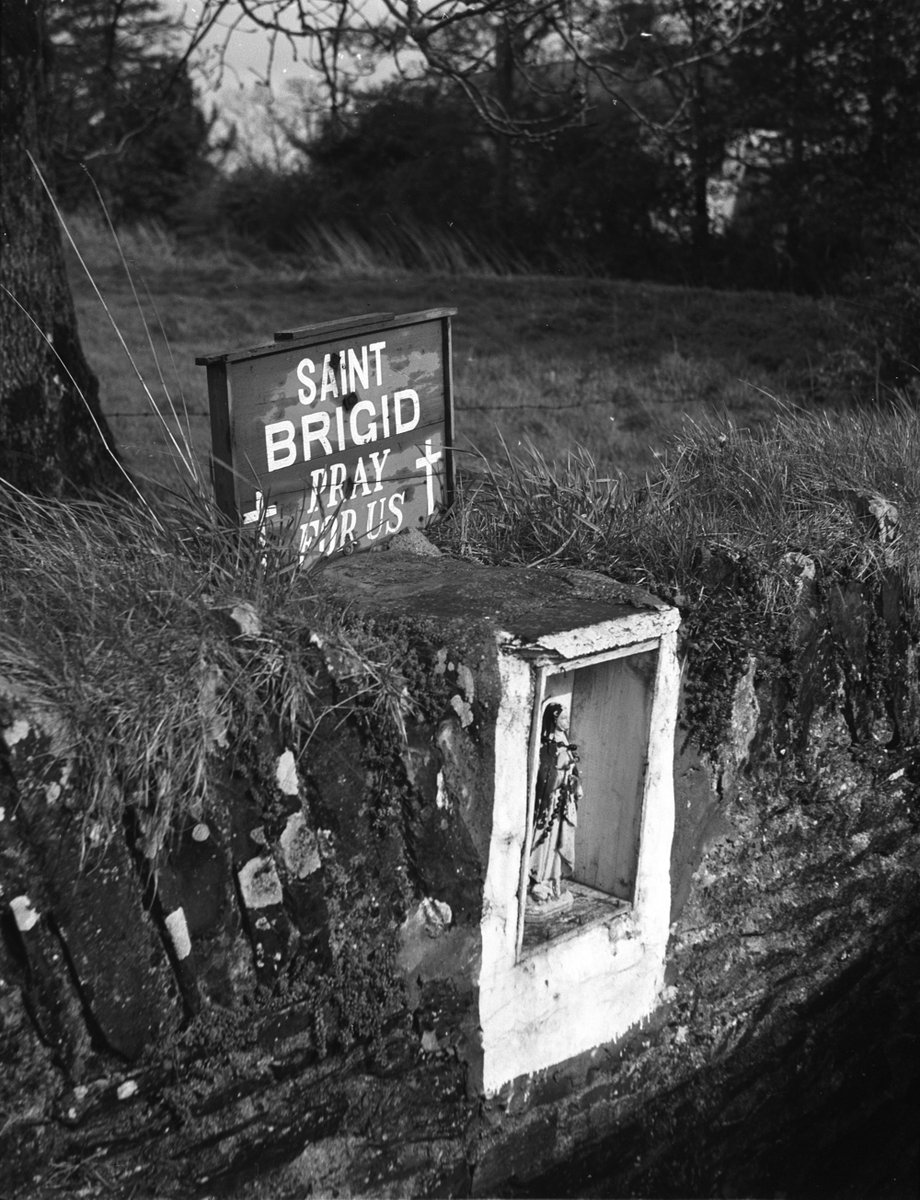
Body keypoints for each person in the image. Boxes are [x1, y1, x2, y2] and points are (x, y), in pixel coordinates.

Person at [529, 702, 582, 908]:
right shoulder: (547, 744)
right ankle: (538, 880)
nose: (566, 722)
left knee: (560, 842)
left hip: (562, 803)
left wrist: (573, 779)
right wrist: (560, 771)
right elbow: (545, 773)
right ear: (553, 721)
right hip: (550, 803)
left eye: (567, 719)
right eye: (562, 719)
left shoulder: (564, 741)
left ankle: (554, 880)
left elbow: (572, 771)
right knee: (546, 842)